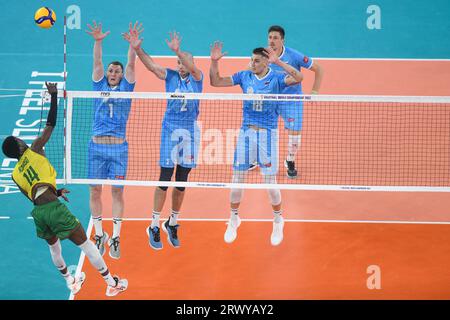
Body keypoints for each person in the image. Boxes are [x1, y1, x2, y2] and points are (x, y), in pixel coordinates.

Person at [1, 82, 128, 297]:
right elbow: (51, 123)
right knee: (87, 246)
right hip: (54, 209)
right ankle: (111, 283)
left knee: (54, 248)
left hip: (40, 213)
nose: (21, 138)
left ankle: (71, 281)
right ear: (19, 145)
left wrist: (57, 192)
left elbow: (34, 194)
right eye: (18, 139)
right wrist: (53, 96)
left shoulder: (14, 175)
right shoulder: (35, 148)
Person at [209, 42, 303, 246]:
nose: (252, 63)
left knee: (270, 183)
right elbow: (215, 81)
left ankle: (278, 220)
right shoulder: (244, 76)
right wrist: (214, 62)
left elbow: (299, 77)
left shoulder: (277, 78)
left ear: (266, 62)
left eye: (257, 60)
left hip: (268, 135)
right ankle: (234, 218)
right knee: (237, 178)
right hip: (246, 133)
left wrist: (279, 62)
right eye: (251, 59)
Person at [123, 26, 203, 250]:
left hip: (189, 133)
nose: (181, 65)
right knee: (165, 177)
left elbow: (191, 67)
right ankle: (155, 224)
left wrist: (179, 52)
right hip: (170, 130)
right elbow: (151, 66)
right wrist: (138, 50)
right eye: (179, 62)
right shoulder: (171, 76)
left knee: (182, 178)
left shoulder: (198, 78)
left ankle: (173, 222)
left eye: (185, 61)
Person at [86, 21, 139, 259]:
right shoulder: (98, 86)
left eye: (116, 71)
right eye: (111, 71)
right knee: (95, 192)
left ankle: (116, 236)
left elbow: (130, 64)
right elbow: (97, 63)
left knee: (117, 193)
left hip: (118, 150)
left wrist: (133, 47)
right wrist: (98, 41)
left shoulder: (127, 88)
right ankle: (99, 235)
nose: (113, 73)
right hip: (96, 148)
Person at [267, 25, 323, 178]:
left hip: (291, 101)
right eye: (270, 37)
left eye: (275, 38)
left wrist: (314, 92)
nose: (272, 41)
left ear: (282, 40)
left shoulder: (293, 55)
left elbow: (318, 69)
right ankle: (255, 158)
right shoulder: (263, 55)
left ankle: (290, 160)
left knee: (295, 138)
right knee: (258, 130)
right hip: (270, 100)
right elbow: (249, 72)